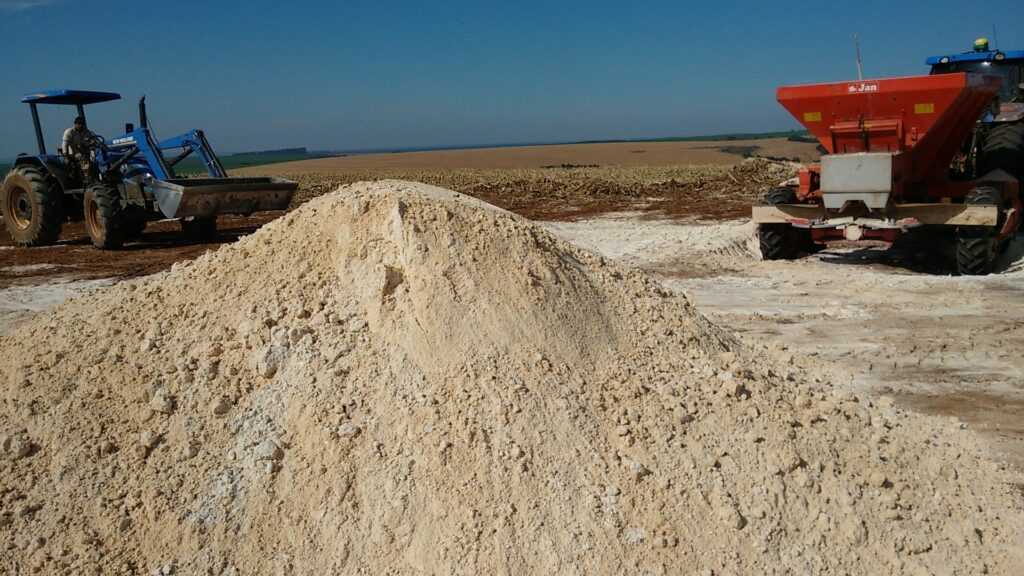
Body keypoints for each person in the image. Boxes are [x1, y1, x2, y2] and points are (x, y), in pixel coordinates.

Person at [62, 116, 96, 182]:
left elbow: (92, 145)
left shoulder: (87, 132)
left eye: (82, 124)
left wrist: (93, 156)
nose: (80, 125)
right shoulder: (69, 132)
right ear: (75, 124)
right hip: (74, 154)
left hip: (87, 153)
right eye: (79, 123)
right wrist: (66, 157)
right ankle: (85, 179)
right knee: (82, 160)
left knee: (94, 161)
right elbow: (64, 146)